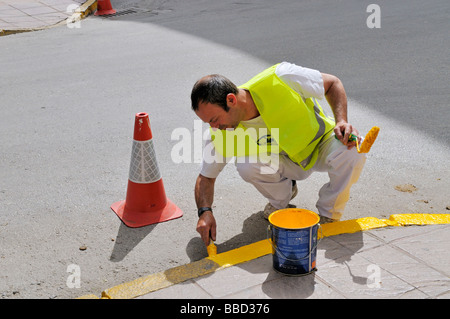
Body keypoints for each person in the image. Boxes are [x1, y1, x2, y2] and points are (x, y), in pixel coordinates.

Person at [191, 62, 366, 246]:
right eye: (208, 123)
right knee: (246, 165)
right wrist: (204, 212)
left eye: (215, 120)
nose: (214, 127)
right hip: (287, 163)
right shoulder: (221, 133)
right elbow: (206, 177)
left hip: (320, 143)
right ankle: (281, 199)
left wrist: (342, 121)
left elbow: (332, 83)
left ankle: (328, 215)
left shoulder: (280, 78)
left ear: (231, 100)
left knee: (354, 149)